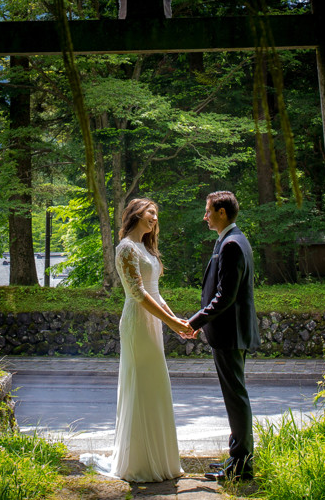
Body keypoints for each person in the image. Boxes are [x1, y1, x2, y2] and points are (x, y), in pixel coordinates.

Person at [80, 198, 192, 482]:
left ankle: (162, 460)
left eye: (156, 214)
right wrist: (170, 321)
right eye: (150, 213)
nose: (155, 218)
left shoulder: (145, 248)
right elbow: (138, 294)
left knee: (156, 385)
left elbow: (155, 291)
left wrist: (176, 321)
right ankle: (139, 463)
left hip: (153, 321)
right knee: (141, 385)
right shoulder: (126, 249)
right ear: (135, 215)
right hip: (137, 322)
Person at [186, 191, 260, 482]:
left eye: (207, 211)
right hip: (230, 334)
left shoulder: (231, 244)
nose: (204, 217)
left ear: (221, 212)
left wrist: (195, 322)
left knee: (236, 398)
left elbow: (224, 297)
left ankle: (242, 467)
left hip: (230, 334)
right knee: (234, 398)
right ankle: (236, 460)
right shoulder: (232, 240)